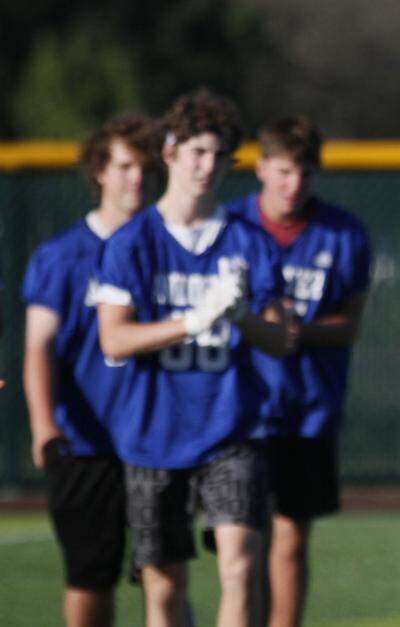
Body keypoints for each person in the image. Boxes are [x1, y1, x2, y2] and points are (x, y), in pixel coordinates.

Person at [95, 88, 293, 627]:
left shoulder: (249, 242)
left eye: (220, 155)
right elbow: (113, 339)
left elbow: (281, 339)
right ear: (170, 153)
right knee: (163, 584)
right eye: (197, 152)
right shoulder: (132, 242)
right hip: (153, 433)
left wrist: (240, 316)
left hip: (231, 426)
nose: (208, 166)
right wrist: (191, 321)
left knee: (239, 564)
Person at [226, 116, 372, 627]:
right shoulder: (230, 226)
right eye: (284, 171)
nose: (293, 184)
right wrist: (257, 328)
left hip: (308, 406)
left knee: (289, 535)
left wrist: (292, 331)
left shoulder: (343, 232)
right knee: (241, 540)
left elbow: (349, 324)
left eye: (305, 173)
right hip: (239, 407)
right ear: (261, 168)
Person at [22, 114, 159, 627]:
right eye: (124, 166)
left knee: (163, 574)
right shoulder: (62, 255)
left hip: (155, 440)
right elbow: (39, 346)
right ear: (99, 170)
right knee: (90, 577)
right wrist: (44, 426)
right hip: (87, 442)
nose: (135, 178)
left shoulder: (165, 248)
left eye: (144, 167)